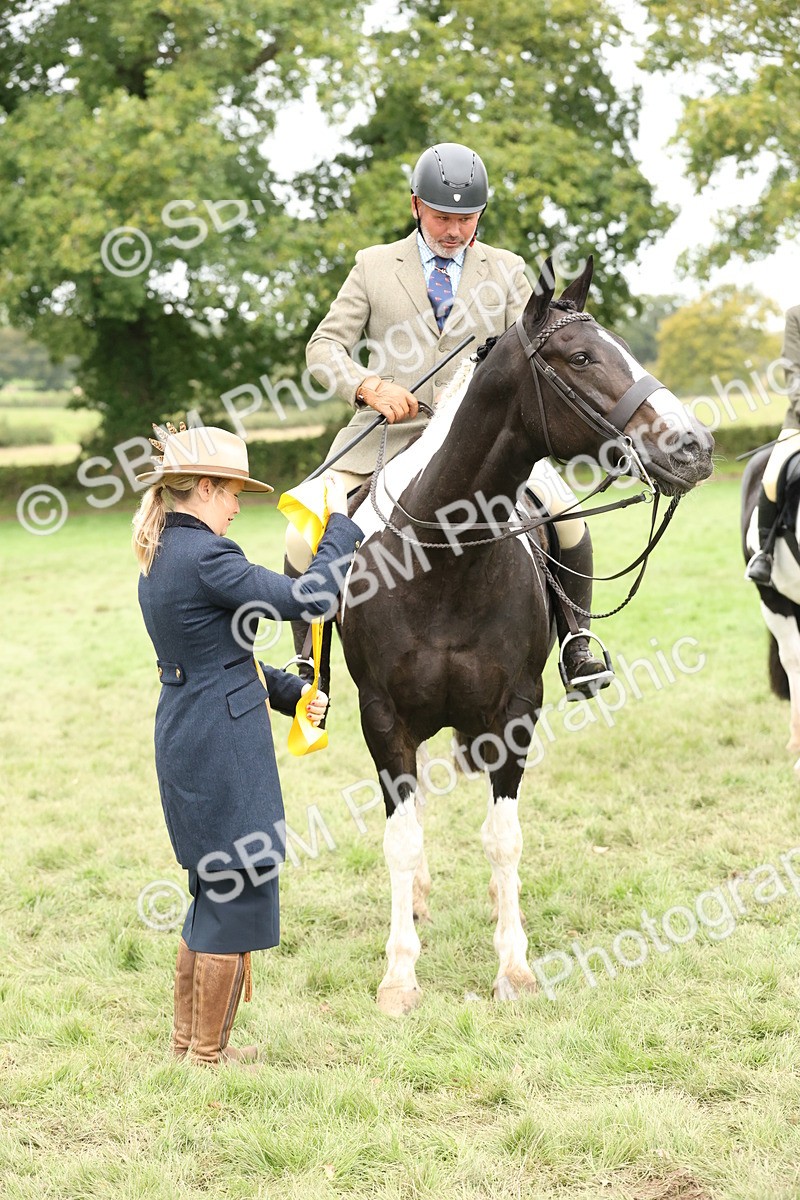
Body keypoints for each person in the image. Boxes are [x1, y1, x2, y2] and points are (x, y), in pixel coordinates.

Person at [286, 141, 613, 698]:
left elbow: (533, 353)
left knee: (567, 514)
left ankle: (578, 642)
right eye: (442, 216)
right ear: (416, 206)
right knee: (301, 533)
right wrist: (366, 385)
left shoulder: (508, 271)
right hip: (385, 437)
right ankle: (309, 662)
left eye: (466, 218)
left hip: (483, 443)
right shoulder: (372, 266)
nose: (454, 230)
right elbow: (324, 347)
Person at [132, 422, 362, 1066]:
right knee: (235, 890)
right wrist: (340, 526)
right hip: (222, 744)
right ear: (204, 488)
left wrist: (290, 692)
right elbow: (311, 597)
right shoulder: (208, 556)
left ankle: (190, 1044)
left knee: (213, 891)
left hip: (192, 730)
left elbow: (217, 654)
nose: (238, 504)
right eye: (232, 492)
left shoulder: (165, 552)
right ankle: (208, 1055)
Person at [745, 303, 800, 584]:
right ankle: (765, 554)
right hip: (799, 423)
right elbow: (794, 375)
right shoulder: (796, 315)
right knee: (771, 477)